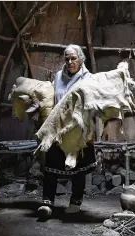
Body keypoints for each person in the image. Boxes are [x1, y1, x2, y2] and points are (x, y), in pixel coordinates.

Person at [38, 44, 96, 220]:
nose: (70, 62)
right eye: (67, 59)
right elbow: (55, 99)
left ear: (81, 59)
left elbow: (92, 103)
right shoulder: (58, 76)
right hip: (59, 128)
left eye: (73, 58)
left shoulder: (88, 79)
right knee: (51, 166)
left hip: (79, 128)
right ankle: (47, 202)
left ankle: (75, 202)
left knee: (78, 168)